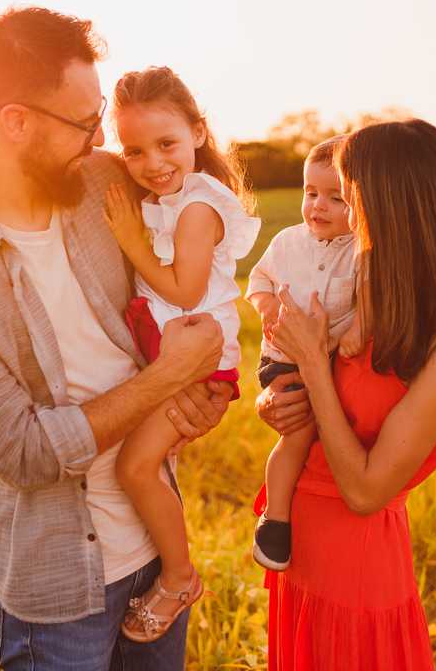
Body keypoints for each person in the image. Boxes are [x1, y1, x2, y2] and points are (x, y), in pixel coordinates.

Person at [0, 6, 232, 671]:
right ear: (15, 122)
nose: (103, 136)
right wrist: (167, 378)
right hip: (56, 589)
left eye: (99, 110)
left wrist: (203, 395)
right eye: (84, 122)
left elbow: (192, 281)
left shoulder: (107, 183)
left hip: (158, 549)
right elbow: (23, 454)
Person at [256, 119, 436, 671]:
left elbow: (366, 491)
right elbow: (313, 394)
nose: (336, 212)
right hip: (299, 547)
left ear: (390, 203)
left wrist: (316, 365)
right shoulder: (360, 291)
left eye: (348, 196)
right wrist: (273, 405)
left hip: (357, 569)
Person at [101, 66, 261, 641]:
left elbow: (183, 290)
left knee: (135, 467)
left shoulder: (198, 206)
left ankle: (178, 576)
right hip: (175, 357)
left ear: (197, 132)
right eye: (134, 150)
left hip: (197, 361)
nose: (152, 163)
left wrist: (130, 244)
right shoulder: (168, 198)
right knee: (148, 463)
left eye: (166, 143)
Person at [244, 135, 368, 572]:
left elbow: (369, 301)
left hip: (330, 359)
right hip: (282, 358)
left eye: (337, 198)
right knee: (298, 433)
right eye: (311, 193)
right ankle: (274, 519)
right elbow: (257, 283)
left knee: (335, 427)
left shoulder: (360, 252)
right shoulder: (286, 242)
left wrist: (356, 328)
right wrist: (271, 307)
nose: (319, 206)